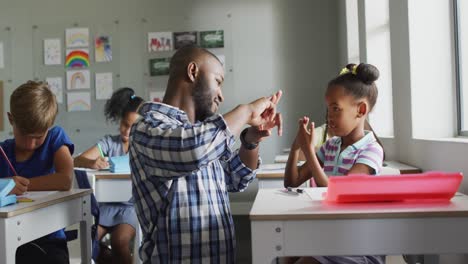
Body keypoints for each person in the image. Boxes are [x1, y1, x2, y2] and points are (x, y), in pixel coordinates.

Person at [129, 45, 282, 263]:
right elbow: (192, 151)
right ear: (193, 72)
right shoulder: (148, 127)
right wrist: (246, 111)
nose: (221, 94)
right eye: (218, 81)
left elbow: (235, 178)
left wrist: (251, 140)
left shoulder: (205, 134)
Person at [284, 63, 385, 264]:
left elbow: (338, 193)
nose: (329, 117)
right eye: (328, 109)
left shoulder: (372, 150)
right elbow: (292, 181)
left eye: (336, 109)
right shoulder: (331, 146)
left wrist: (309, 151)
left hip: (359, 244)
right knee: (285, 253)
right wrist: (296, 147)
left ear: (361, 109)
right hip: (331, 235)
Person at [0, 81, 74, 264]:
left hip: (48, 239)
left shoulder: (55, 139)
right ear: (11, 119)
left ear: (49, 126)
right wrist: (5, 184)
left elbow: (65, 180)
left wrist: (18, 185)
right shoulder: (3, 151)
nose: (30, 144)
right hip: (7, 238)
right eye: (24, 135)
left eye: (38, 137)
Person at [74, 87, 143, 264]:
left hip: (131, 208)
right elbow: (77, 160)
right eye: (124, 124)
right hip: (106, 207)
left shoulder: (144, 148)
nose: (127, 131)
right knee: (88, 242)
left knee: (119, 242)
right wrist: (92, 163)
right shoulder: (109, 143)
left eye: (132, 127)